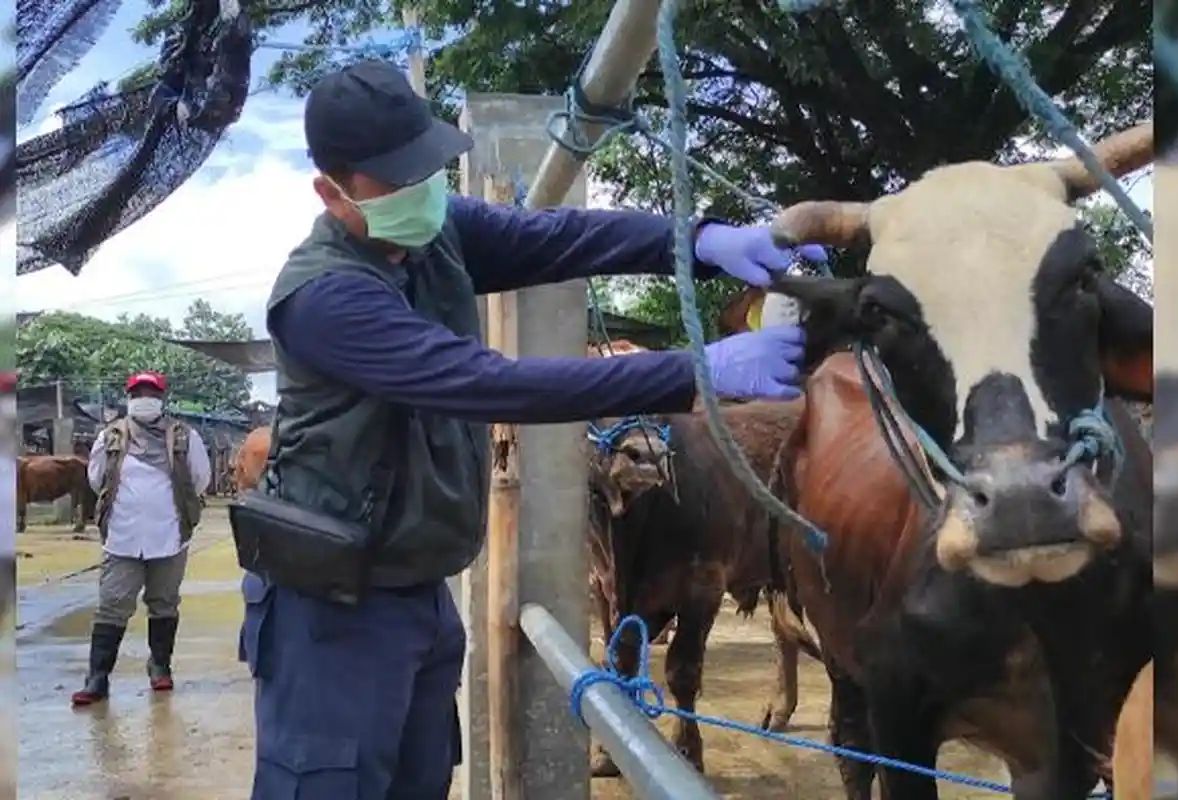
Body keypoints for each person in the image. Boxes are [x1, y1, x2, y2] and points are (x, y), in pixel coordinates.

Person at [240, 59, 824, 799]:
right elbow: (490, 383)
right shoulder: (325, 298)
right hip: (331, 615)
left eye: (428, 168)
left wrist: (702, 242)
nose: (423, 191)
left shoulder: (434, 232)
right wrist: (698, 372)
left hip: (417, 592)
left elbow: (561, 238)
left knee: (418, 784)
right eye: (397, 180)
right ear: (333, 192)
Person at [71, 372, 211, 707]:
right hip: (123, 536)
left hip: (170, 535)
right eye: (139, 391)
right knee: (112, 604)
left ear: (162, 398)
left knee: (164, 601)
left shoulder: (184, 437)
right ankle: (98, 678)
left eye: (151, 391)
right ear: (129, 396)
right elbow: (96, 479)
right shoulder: (110, 436)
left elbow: (200, 478)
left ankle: (160, 667)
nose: (144, 396)